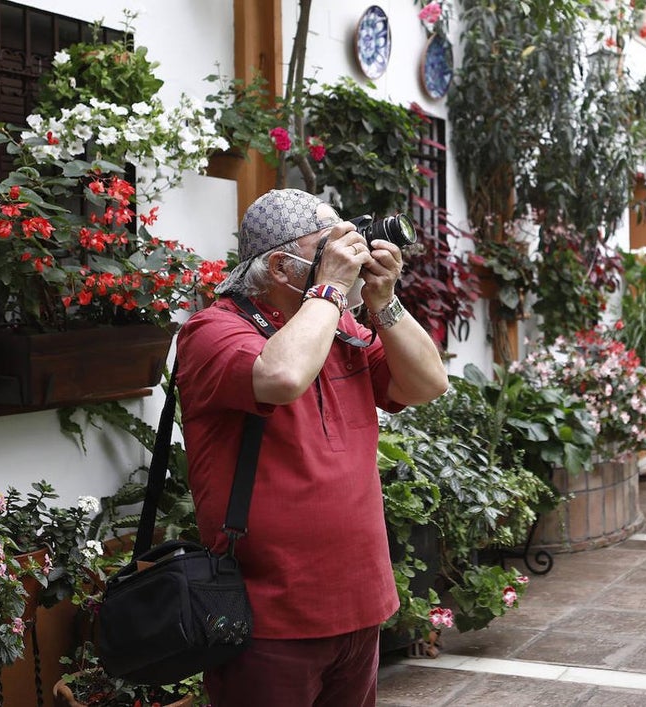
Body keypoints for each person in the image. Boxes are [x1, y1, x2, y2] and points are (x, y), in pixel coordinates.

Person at [175, 189, 449, 706]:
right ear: (281, 266)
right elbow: (281, 376)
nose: (349, 254)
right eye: (329, 247)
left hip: (358, 601)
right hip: (270, 614)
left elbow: (427, 384)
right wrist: (328, 291)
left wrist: (383, 303)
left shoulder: (339, 325)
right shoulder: (213, 331)